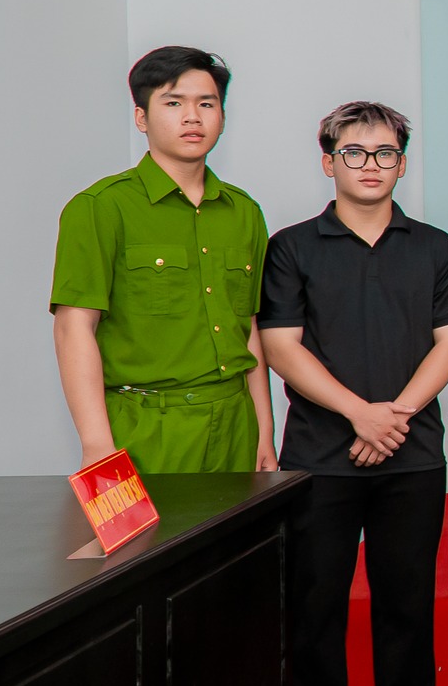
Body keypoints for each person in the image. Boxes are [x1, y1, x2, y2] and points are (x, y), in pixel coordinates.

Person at [261, 102, 448, 686]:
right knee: (315, 603)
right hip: (319, 457)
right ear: (329, 162)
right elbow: (280, 346)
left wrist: (394, 417)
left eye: (385, 153)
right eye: (355, 152)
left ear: (402, 164)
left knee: (405, 601)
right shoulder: (292, 246)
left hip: (412, 456)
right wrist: (359, 414)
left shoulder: (435, 247)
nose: (371, 164)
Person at [50, 46, 278, 474]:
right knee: (149, 526)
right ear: (141, 118)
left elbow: (248, 328)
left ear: (222, 116)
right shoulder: (100, 207)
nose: (192, 117)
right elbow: (73, 328)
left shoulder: (244, 211)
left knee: (245, 523)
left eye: (206, 104)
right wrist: (96, 445)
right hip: (144, 428)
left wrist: (264, 431)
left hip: (235, 425)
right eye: (173, 104)